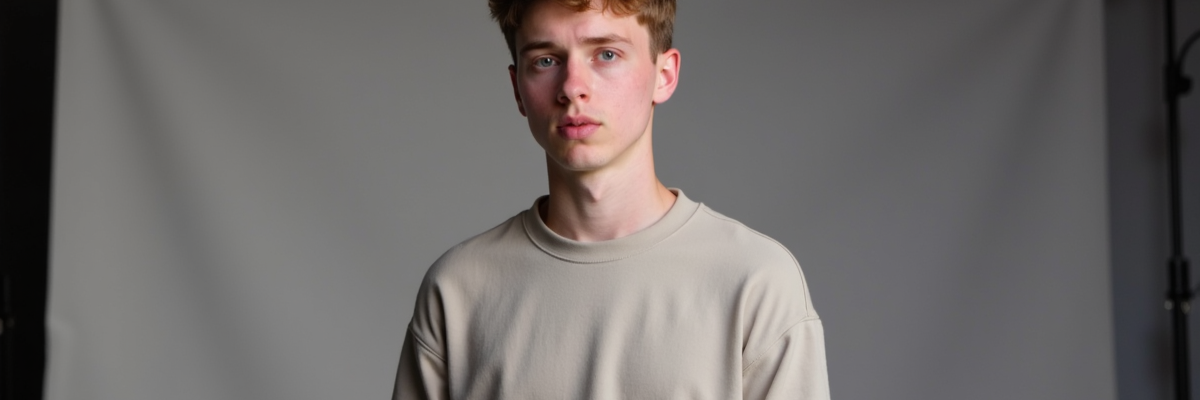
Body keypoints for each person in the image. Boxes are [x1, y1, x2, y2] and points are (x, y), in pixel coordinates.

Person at [392, 0, 830, 398]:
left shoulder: (756, 283)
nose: (573, 87)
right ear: (517, 89)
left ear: (664, 75)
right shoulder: (457, 290)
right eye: (546, 60)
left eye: (606, 54)